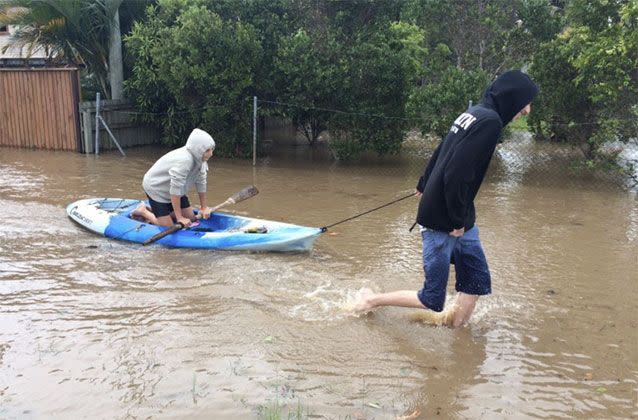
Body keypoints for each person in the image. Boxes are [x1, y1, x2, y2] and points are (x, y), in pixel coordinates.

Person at [354, 70, 539, 328]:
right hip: (445, 219)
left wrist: (424, 182)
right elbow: (456, 174)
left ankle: (458, 335)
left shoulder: (473, 113)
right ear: (512, 98)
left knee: (476, 281)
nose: (528, 110)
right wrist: (456, 220)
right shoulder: (490, 122)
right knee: (432, 299)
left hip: (460, 216)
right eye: (525, 102)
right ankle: (371, 300)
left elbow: (443, 148)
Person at [131, 128, 216, 227]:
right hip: (156, 188)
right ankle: (143, 211)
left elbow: (201, 182)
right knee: (168, 226)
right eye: (207, 150)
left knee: (191, 219)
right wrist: (180, 218)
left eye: (211, 150)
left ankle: (156, 211)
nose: (211, 154)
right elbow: (175, 190)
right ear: (198, 149)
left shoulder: (201, 160)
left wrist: (203, 207)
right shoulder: (185, 160)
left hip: (177, 190)